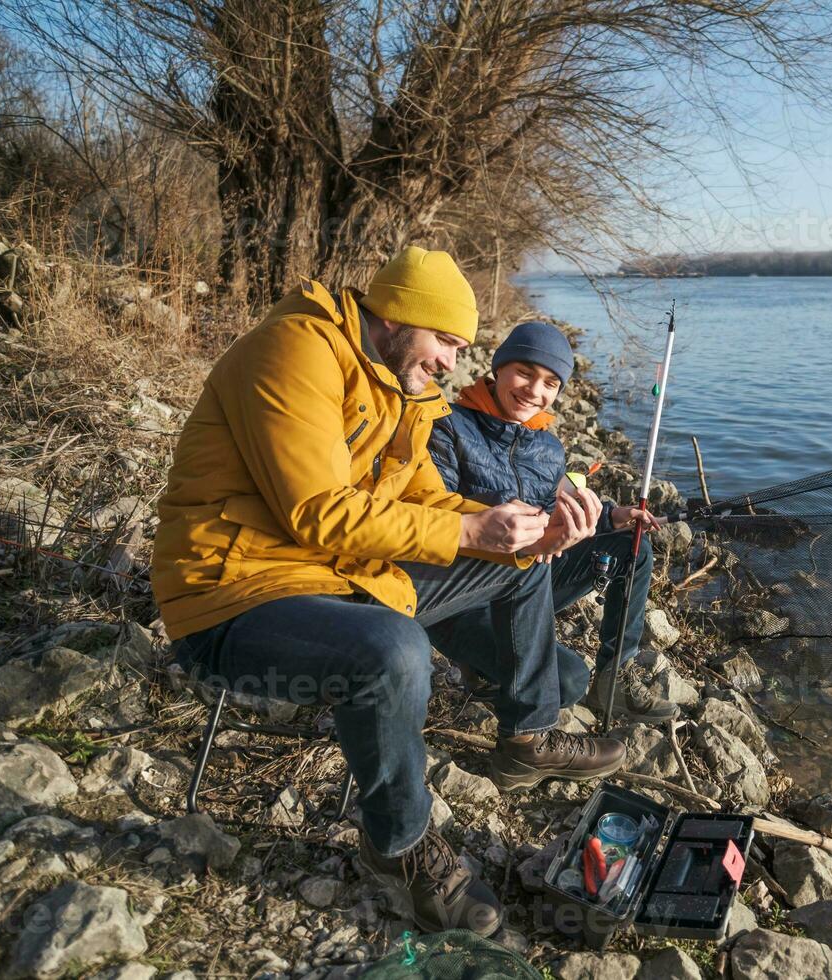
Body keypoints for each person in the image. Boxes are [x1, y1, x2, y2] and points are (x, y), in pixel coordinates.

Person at [151, 247, 627, 936]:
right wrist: (468, 535)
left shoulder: (402, 386)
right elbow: (315, 510)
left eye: (461, 349)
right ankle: (398, 845)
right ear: (399, 317)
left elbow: (423, 497)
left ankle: (527, 737)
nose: (450, 363)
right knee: (394, 649)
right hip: (233, 595)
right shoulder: (293, 350)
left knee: (523, 564)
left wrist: (527, 535)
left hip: (336, 574)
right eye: (446, 342)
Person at [427, 320, 679, 724]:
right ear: (498, 368)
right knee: (567, 681)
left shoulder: (546, 445)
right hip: (459, 598)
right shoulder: (448, 426)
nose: (534, 391)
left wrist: (611, 515)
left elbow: (554, 506)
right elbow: (431, 518)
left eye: (549, 383)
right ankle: (484, 674)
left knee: (631, 545)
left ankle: (614, 676)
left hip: (526, 580)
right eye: (524, 373)